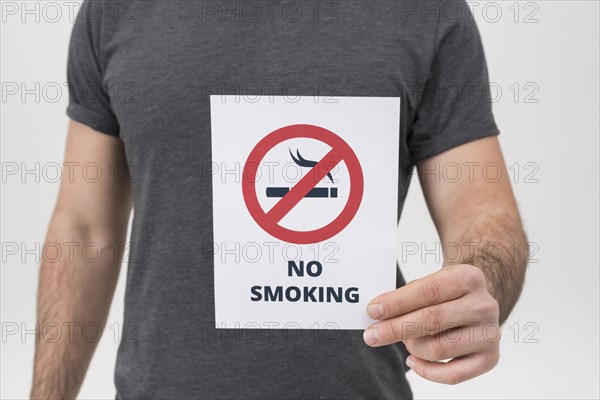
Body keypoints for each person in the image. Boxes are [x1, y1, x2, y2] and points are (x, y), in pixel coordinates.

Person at [30, 0, 528, 398]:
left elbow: (482, 213)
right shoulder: (114, 11)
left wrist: (477, 286)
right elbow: (83, 228)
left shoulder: (426, 12)